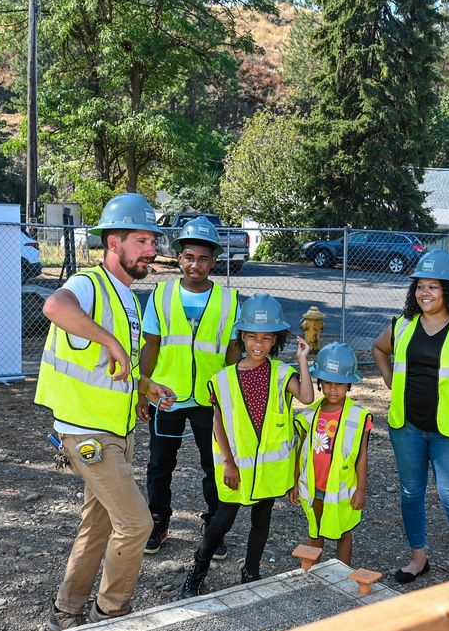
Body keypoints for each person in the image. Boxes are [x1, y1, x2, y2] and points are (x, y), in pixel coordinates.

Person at [34, 193, 176, 631]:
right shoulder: (88, 284)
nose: (151, 250)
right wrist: (112, 342)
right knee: (136, 525)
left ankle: (67, 610)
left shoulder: (129, 299)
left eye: (152, 241)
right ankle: (109, 614)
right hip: (87, 435)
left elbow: (111, 369)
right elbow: (54, 306)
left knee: (97, 527)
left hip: (115, 431)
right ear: (113, 242)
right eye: (140, 240)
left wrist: (145, 387)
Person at [180, 294, 314, 597]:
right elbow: (219, 423)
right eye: (252, 336)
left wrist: (303, 360)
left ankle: (251, 571)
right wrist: (228, 461)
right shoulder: (223, 379)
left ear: (276, 340)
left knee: (261, 520)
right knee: (222, 520)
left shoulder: (282, 373)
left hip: (267, 471)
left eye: (266, 338)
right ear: (241, 336)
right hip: (235, 468)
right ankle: (198, 569)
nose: (258, 343)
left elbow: (307, 397)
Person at [371, 250, 449, 583]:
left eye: (434, 287)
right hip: (407, 427)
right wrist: (391, 384)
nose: (425, 293)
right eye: (420, 286)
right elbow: (378, 349)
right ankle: (418, 559)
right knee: (411, 494)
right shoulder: (402, 324)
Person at [136, 216, 240, 558]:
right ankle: (158, 520)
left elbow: (233, 353)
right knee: (160, 462)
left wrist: (233, 399)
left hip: (210, 401)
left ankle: (215, 525)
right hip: (167, 396)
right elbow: (150, 344)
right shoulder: (161, 294)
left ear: (214, 261)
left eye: (203, 258)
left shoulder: (229, 301)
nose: (196, 264)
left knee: (213, 465)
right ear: (179, 258)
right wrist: (143, 388)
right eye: (189, 257)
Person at [288, 342, 372, 566]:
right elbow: (301, 450)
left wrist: (361, 489)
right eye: (327, 383)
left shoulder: (359, 416)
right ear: (319, 383)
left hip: (343, 488)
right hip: (314, 486)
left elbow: (362, 456)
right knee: (315, 529)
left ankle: (341, 574)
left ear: (350, 385)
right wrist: (295, 481)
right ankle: (311, 575)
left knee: (343, 532)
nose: (333, 389)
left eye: (340, 384)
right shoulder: (309, 414)